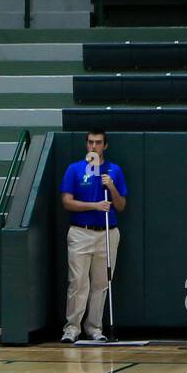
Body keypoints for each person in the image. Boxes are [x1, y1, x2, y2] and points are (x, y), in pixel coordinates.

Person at [59, 129, 128, 343]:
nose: (93, 146)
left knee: (101, 283)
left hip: (107, 233)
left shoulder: (114, 170)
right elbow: (67, 202)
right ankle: (72, 328)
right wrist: (94, 206)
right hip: (81, 232)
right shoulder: (75, 169)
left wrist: (111, 186)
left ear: (105, 145)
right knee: (78, 282)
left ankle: (94, 328)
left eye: (98, 143)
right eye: (90, 142)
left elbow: (121, 205)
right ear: (86, 144)